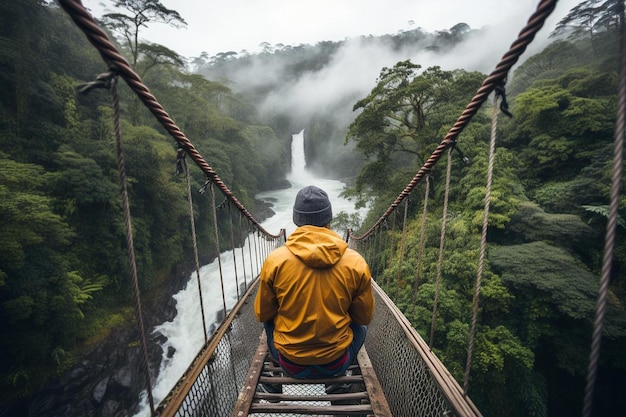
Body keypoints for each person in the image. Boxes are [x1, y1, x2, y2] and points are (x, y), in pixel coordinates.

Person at [254, 185, 374, 387]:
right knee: (361, 326)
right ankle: (337, 386)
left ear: (296, 219)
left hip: (291, 364)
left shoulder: (275, 261)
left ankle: (273, 382)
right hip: (336, 363)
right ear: (328, 219)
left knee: (268, 321)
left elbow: (262, 314)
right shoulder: (356, 262)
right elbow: (364, 317)